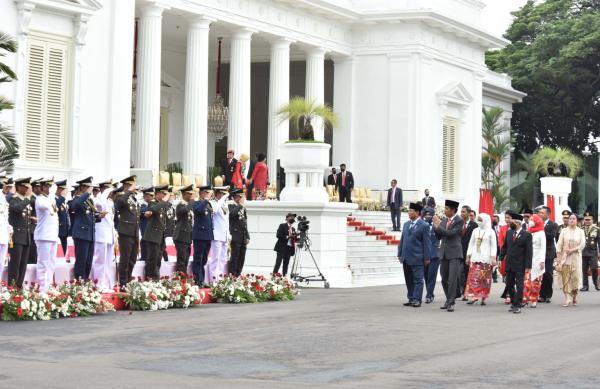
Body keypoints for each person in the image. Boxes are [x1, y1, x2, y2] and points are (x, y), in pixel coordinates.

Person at [432, 199, 464, 312]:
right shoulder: (445, 220)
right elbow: (440, 236)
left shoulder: (459, 221)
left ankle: (450, 302)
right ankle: (449, 298)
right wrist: (435, 227)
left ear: (453, 210)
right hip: (444, 252)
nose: (445, 211)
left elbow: (450, 234)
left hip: (455, 253)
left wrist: (438, 227)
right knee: (444, 278)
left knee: (452, 278)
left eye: (446, 209)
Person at [498, 212, 532, 314]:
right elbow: (504, 248)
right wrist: (500, 258)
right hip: (509, 263)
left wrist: (528, 266)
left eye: (512, 222)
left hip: (520, 265)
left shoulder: (527, 235)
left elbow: (529, 252)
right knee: (509, 284)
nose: (510, 223)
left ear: (517, 223)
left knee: (520, 285)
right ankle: (514, 302)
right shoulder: (509, 233)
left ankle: (518, 305)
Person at [398, 202, 430, 307]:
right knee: (408, 279)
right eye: (409, 210)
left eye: (411, 211)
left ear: (417, 212)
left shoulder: (424, 225)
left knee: (418, 280)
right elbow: (402, 240)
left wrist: (427, 258)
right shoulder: (406, 224)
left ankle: (417, 299)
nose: (409, 212)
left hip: (417, 257)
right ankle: (411, 298)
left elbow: (426, 243)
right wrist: (400, 253)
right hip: (406, 257)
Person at [33, 178, 59, 292]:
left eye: (50, 186)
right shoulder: (40, 199)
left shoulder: (49, 199)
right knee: (43, 262)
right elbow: (47, 207)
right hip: (43, 236)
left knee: (51, 262)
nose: (49, 189)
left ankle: (48, 285)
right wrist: (52, 194)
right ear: (42, 187)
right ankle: (42, 287)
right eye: (47, 186)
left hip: (52, 235)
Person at [465, 213, 497, 305]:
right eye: (478, 219)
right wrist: (468, 256)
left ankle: (483, 297)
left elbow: (494, 246)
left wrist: (493, 257)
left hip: (486, 259)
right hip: (475, 257)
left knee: (484, 278)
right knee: (473, 278)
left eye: (480, 220)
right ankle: (474, 296)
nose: (479, 222)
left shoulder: (491, 231)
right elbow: (471, 244)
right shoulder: (475, 230)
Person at [7, 177, 34, 288]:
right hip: (17, 237)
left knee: (23, 265)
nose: (28, 189)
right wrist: (27, 198)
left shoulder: (25, 199)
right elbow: (17, 209)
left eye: (28, 187)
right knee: (15, 264)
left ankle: (19, 286)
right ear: (19, 187)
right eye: (25, 186)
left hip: (26, 237)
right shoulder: (14, 199)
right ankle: (12, 287)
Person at [114, 175, 140, 287]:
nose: (132, 187)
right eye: (130, 185)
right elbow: (120, 204)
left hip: (134, 232)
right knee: (125, 258)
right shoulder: (121, 196)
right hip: (125, 232)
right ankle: (123, 282)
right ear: (125, 186)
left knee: (133, 258)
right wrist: (129, 191)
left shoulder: (134, 198)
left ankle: (128, 279)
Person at [91, 180, 116, 291]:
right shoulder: (97, 199)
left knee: (108, 261)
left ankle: (106, 283)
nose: (112, 193)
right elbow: (100, 205)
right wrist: (105, 193)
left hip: (109, 235)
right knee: (100, 261)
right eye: (109, 190)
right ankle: (99, 284)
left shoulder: (110, 202)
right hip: (101, 234)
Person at [555, 213, 585, 306]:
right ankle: (567, 298)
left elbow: (582, 244)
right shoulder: (564, 231)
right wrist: (558, 257)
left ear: (577, 221)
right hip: (565, 257)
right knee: (566, 277)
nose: (571, 220)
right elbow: (559, 244)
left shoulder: (580, 231)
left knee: (575, 278)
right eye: (570, 218)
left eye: (573, 219)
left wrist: (573, 250)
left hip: (576, 257)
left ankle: (574, 296)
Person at [71, 177, 97, 280]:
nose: (91, 189)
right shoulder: (78, 199)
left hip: (90, 234)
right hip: (81, 234)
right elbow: (75, 205)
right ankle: (79, 280)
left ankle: (85, 280)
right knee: (81, 260)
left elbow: (89, 216)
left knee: (88, 261)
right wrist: (86, 194)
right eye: (89, 187)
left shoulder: (88, 200)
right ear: (83, 187)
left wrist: (99, 217)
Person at [141, 185, 170, 280]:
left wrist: (167, 200)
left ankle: (156, 278)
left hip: (160, 236)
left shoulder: (161, 204)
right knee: (152, 259)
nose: (165, 196)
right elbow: (153, 210)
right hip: (152, 236)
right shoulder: (152, 203)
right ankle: (149, 278)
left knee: (158, 259)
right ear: (158, 194)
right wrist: (164, 201)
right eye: (163, 194)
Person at [207, 186, 230, 283]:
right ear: (217, 193)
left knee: (223, 258)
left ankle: (219, 277)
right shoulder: (212, 203)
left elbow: (226, 221)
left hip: (224, 235)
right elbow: (215, 210)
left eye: (224, 194)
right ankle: (213, 279)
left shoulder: (224, 204)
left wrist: (228, 234)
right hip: (216, 235)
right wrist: (223, 198)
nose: (223, 195)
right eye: (222, 193)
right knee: (215, 258)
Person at [523, 214, 546, 308]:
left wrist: (542, 261)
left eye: (533, 219)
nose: (530, 221)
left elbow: (543, 248)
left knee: (535, 281)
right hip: (528, 259)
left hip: (537, 259)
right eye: (530, 219)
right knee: (526, 280)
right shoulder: (528, 232)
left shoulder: (541, 233)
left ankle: (534, 299)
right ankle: (524, 298)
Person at [192, 186, 213, 286]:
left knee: (204, 259)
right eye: (206, 192)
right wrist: (205, 200)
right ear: (201, 193)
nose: (207, 194)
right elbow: (198, 210)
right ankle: (197, 279)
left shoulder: (208, 204)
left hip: (207, 235)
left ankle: (202, 279)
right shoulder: (197, 203)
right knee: (198, 258)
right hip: (199, 235)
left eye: (208, 192)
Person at [537, 205, 559, 303]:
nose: (540, 214)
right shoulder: (536, 224)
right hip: (538, 252)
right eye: (539, 213)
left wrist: (541, 229)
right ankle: (541, 295)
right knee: (540, 273)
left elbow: (552, 236)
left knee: (548, 274)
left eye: (542, 213)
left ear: (548, 214)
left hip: (549, 252)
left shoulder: (553, 224)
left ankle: (548, 294)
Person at [173, 185, 194, 275]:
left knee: (186, 259)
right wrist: (191, 203)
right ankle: (181, 278)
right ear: (184, 194)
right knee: (181, 259)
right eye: (189, 194)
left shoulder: (188, 205)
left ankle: (183, 276)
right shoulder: (180, 205)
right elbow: (184, 211)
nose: (191, 196)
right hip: (181, 236)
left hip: (187, 236)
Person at [229, 189, 249, 277]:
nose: (242, 198)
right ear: (235, 197)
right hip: (235, 235)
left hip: (243, 236)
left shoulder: (242, 207)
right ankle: (232, 274)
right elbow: (232, 214)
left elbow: (244, 222)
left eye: (242, 196)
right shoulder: (231, 205)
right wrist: (240, 205)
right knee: (235, 257)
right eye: (240, 196)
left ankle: (238, 274)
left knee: (242, 257)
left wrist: (247, 236)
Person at [422, 207, 440, 304]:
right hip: (425, 255)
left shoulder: (437, 225)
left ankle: (429, 295)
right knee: (426, 276)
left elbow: (441, 236)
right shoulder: (422, 225)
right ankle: (430, 293)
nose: (428, 216)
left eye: (430, 215)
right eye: (426, 215)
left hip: (435, 255)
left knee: (432, 276)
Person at [459, 205, 477, 299]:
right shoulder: (458, 223)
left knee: (466, 273)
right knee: (458, 273)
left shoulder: (474, 225)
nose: (461, 213)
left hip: (468, 253)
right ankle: (459, 290)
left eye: (463, 212)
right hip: (457, 252)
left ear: (468, 213)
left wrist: (471, 254)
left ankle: (465, 292)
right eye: (461, 211)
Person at [580, 211, 600, 291]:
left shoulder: (597, 229)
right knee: (584, 269)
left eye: (589, 219)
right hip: (583, 252)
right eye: (586, 219)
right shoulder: (580, 229)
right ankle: (585, 285)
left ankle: (596, 283)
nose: (587, 221)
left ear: (592, 220)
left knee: (594, 268)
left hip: (593, 252)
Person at [28, 178, 42, 265]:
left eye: (41, 187)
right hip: (32, 227)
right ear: (33, 188)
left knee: (36, 252)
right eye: (38, 187)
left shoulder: (37, 198)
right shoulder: (32, 199)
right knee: (32, 252)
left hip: (38, 228)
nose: (40, 189)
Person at [55, 179, 70, 259]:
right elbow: (55, 207)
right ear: (59, 189)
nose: (66, 193)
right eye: (64, 191)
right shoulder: (55, 199)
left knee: (63, 252)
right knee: (57, 254)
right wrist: (62, 197)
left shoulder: (63, 200)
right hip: (58, 230)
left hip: (64, 230)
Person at [0, 181, 11, 283]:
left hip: (4, 235)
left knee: (2, 262)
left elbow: (4, 217)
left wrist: (8, 226)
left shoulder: (3, 198)